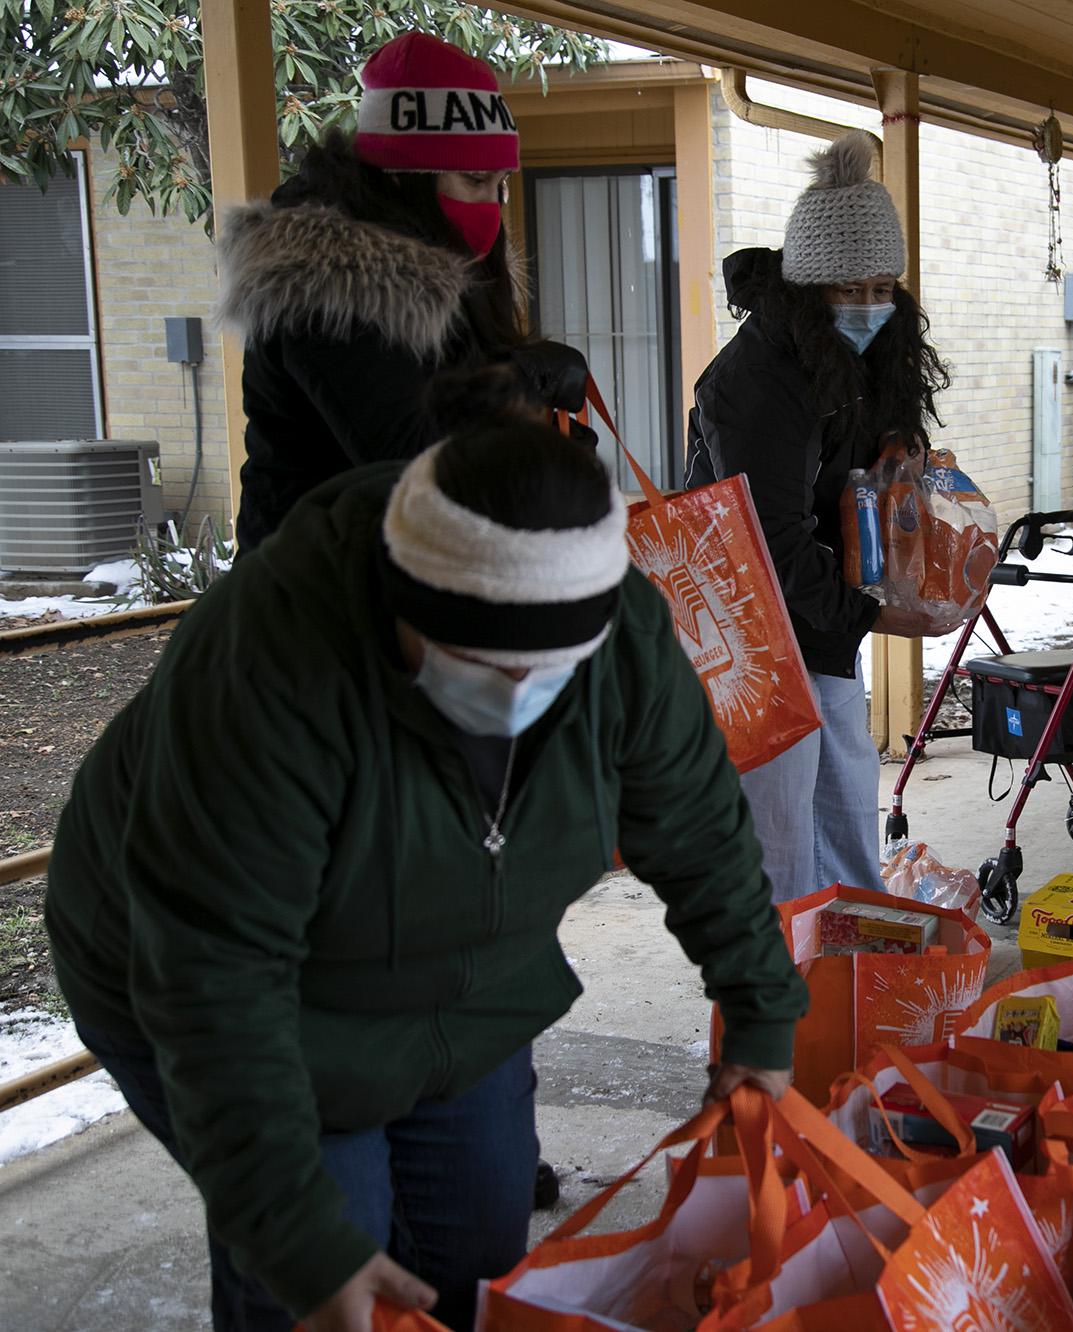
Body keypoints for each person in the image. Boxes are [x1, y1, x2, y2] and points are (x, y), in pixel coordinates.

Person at [44, 391, 808, 1331]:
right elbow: (217, 986)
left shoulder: (620, 637)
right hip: (233, 986)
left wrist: (762, 1013)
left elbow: (697, 826)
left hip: (461, 978)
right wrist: (304, 1243)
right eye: (479, 664)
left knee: (475, 1256)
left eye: (553, 671)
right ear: (399, 607)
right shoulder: (271, 668)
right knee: (323, 1264)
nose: (519, 696)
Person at [684, 130, 954, 901]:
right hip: (752, 640)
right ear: (809, 290)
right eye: (849, 289)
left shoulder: (856, 363)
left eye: (882, 289)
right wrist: (873, 616)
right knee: (776, 860)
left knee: (843, 840)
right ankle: (773, 1012)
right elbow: (769, 542)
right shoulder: (759, 382)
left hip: (818, 628)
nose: (869, 306)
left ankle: (853, 996)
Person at [217, 31, 590, 550]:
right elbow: (417, 460)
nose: (492, 205)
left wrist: (545, 442)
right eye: (475, 180)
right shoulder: (324, 281)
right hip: (314, 599)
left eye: (500, 184)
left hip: (402, 584)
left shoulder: (444, 269)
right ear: (402, 178)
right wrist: (525, 382)